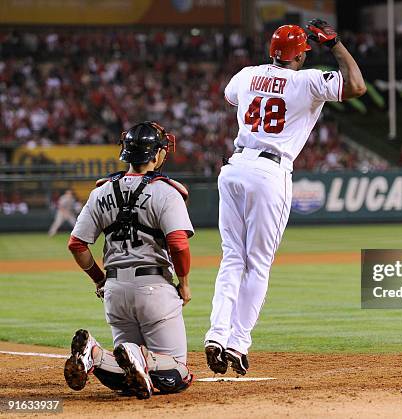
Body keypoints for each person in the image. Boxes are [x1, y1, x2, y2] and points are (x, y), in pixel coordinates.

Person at [204, 19, 366, 375]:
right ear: (301, 55)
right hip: (269, 172)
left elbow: (232, 95)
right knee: (258, 263)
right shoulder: (307, 81)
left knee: (232, 258)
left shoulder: (247, 74)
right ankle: (237, 343)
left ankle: (216, 334)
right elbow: (356, 85)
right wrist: (335, 43)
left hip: (234, 167)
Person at [64, 121, 194, 399]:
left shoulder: (100, 191)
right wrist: (184, 283)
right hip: (154, 288)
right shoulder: (167, 191)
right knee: (178, 375)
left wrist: (100, 280)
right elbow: (178, 245)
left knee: (127, 379)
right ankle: (137, 355)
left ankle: (95, 354)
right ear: (156, 154)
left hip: (114, 290)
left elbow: (77, 245)